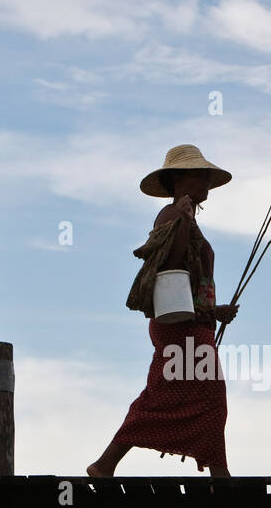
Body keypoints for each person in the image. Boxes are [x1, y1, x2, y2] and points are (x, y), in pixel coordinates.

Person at [87, 145, 240, 477]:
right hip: (180, 325)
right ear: (179, 180)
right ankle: (218, 473)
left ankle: (107, 463)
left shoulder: (184, 217)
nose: (205, 184)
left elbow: (187, 284)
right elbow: (169, 267)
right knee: (202, 395)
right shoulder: (172, 216)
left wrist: (216, 312)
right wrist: (184, 222)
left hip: (193, 322)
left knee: (187, 393)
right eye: (199, 176)